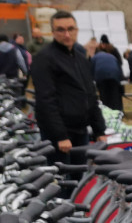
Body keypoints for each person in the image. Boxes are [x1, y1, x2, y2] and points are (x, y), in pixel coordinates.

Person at [30, 11, 107, 160]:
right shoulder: (44, 59)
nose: (67, 34)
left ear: (76, 30)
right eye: (61, 30)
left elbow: (90, 95)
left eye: (70, 29)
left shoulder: (81, 58)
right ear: (53, 32)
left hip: (81, 131)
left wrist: (99, 130)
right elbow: (46, 101)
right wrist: (60, 136)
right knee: (61, 180)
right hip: (60, 136)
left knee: (81, 178)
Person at [91, 42, 123, 112]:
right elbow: (119, 67)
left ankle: (107, 111)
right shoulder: (112, 56)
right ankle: (117, 111)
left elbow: (91, 69)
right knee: (115, 95)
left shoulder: (94, 57)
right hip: (114, 76)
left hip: (101, 76)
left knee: (104, 96)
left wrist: (92, 79)